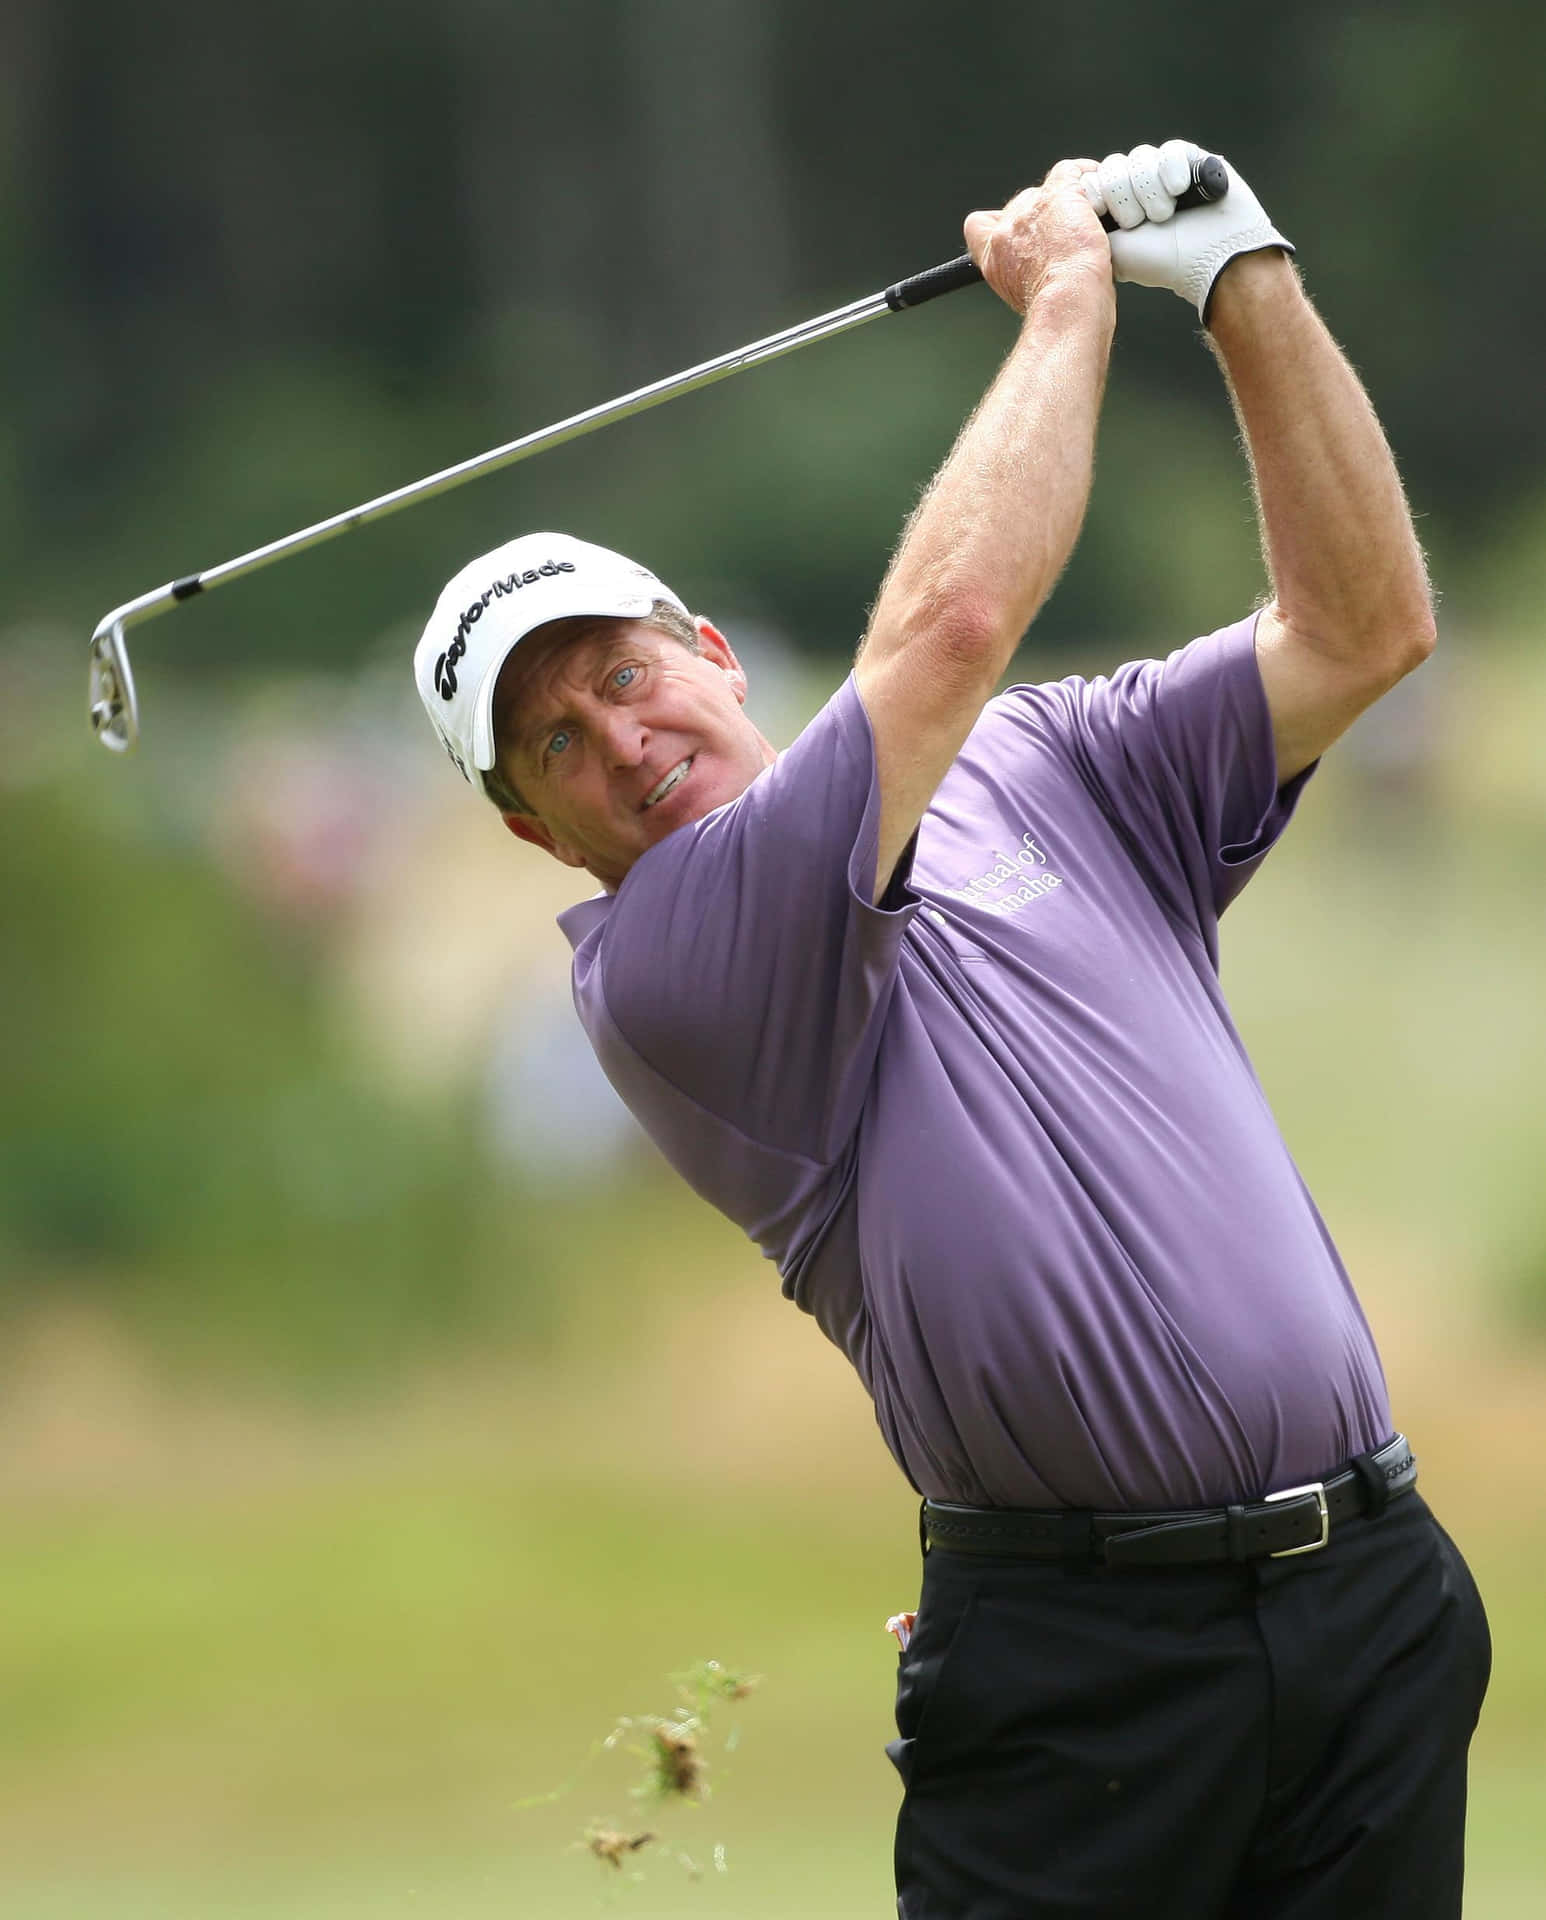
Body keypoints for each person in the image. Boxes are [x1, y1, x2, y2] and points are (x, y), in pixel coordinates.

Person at [412, 141, 1490, 1918]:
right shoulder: (669, 967)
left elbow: (1361, 630)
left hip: (1369, 1601)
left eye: (617, 674)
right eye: (551, 749)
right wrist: (1069, 299)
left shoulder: (1043, 762)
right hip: (1083, 1667)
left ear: (704, 650)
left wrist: (1241, 283)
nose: (616, 744)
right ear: (537, 833)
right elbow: (953, 622)